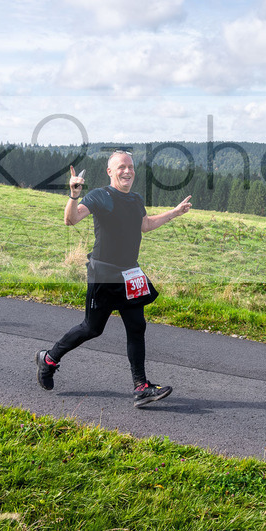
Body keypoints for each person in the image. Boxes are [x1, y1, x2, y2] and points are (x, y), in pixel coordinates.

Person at [36, 150, 192, 407]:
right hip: (104, 274)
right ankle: (49, 359)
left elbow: (146, 225)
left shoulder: (135, 199)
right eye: (121, 167)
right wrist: (74, 195)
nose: (127, 171)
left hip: (131, 273)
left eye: (130, 166)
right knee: (92, 328)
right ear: (110, 172)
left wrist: (174, 213)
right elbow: (71, 219)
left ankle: (141, 387)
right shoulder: (100, 195)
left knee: (137, 326)